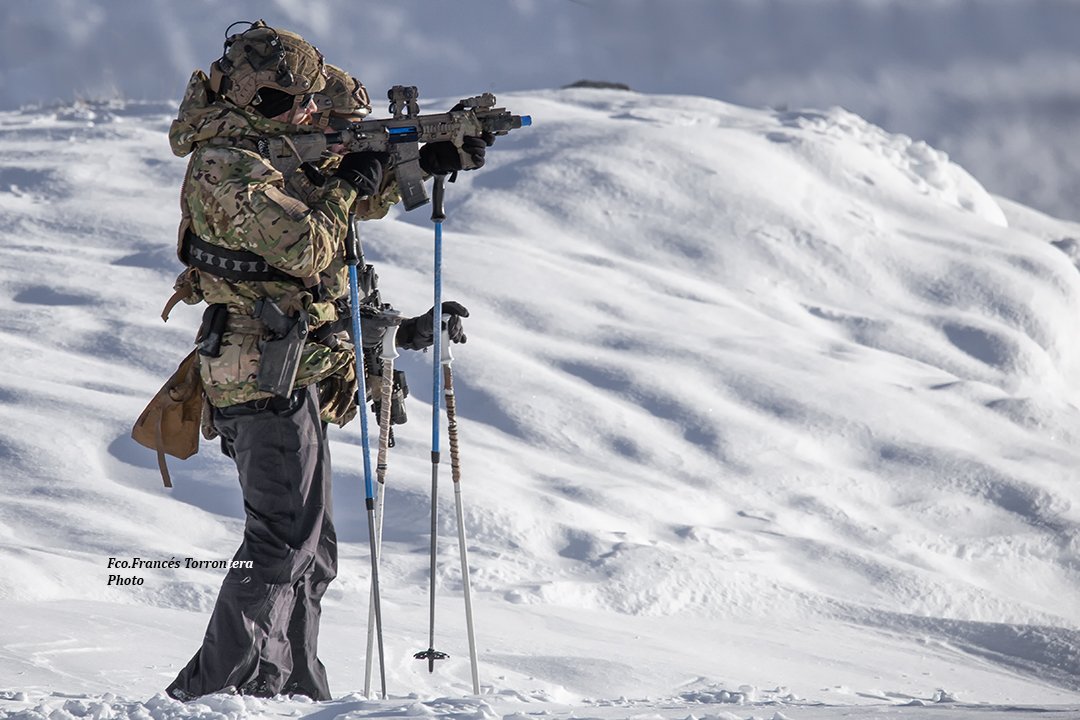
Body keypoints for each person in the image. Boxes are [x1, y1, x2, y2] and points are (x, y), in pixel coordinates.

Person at [163, 20, 481, 701]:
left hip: (290, 370)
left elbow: (340, 207)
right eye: (298, 101)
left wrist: (417, 165)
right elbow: (307, 245)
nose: (312, 113)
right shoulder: (227, 165)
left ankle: (288, 688)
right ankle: (206, 693)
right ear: (266, 99)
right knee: (280, 543)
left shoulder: (267, 155)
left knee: (313, 552)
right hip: (256, 372)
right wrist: (349, 184)